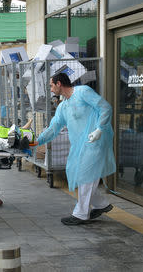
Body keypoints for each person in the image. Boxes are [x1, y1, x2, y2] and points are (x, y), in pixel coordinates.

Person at [34, 73, 115, 225]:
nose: (51, 90)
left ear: (59, 84)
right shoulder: (63, 106)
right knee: (82, 176)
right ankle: (102, 204)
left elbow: (105, 108)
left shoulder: (83, 92)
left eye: (51, 86)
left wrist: (99, 129)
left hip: (96, 142)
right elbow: (53, 128)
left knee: (86, 176)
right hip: (81, 146)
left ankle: (81, 214)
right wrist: (36, 141)